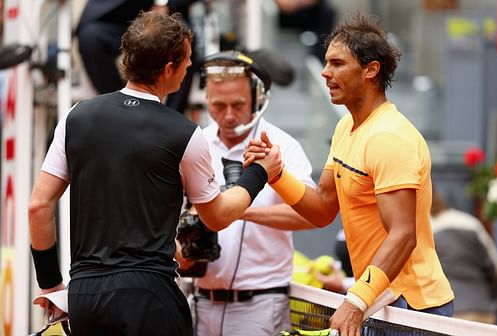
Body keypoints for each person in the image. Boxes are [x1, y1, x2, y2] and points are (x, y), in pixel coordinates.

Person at [28, 11, 282, 336]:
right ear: (168, 70)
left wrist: (51, 285)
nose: (190, 67)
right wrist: (259, 173)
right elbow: (217, 216)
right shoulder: (185, 133)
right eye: (187, 61)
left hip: (84, 298)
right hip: (149, 298)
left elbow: (38, 206)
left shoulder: (76, 117)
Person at [244, 14, 454, 335]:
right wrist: (277, 175)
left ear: (371, 70)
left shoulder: (389, 137)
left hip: (411, 307)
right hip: (378, 299)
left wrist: (355, 300)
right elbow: (324, 208)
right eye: (327, 63)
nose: (325, 73)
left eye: (338, 64)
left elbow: (403, 235)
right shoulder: (346, 126)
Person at [183, 50, 316, 336]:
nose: (229, 115)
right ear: (206, 99)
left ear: (257, 99)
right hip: (200, 302)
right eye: (219, 105)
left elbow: (311, 215)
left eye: (238, 104)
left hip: (262, 304)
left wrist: (234, 210)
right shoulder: (195, 143)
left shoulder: (283, 145)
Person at [76, 0, 199, 113]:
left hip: (167, 13)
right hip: (119, 17)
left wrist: (163, 2)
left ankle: (172, 116)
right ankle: (122, 108)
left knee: (185, 40)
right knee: (90, 38)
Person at [431, 189, 497, 324]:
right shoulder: (470, 223)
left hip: (448, 313)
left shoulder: (424, 231)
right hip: (482, 310)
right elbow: (495, 266)